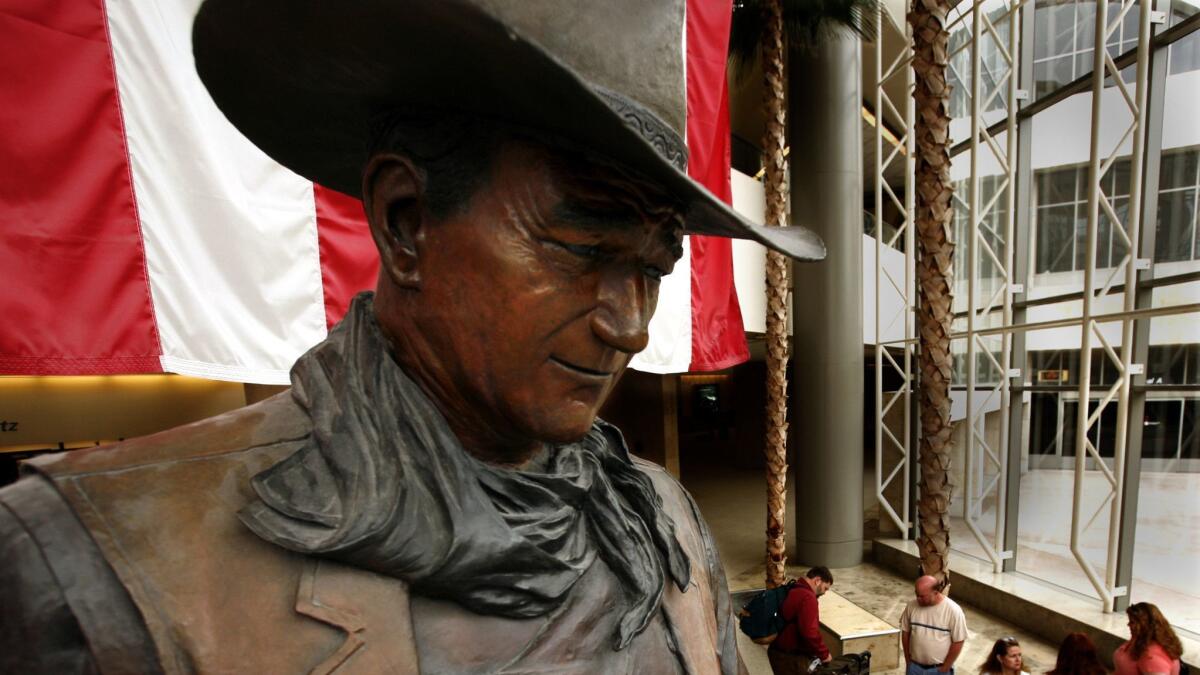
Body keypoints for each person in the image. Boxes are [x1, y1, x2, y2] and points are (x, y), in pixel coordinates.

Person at [0, 0, 826, 673]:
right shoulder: (88, 568)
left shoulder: (665, 522)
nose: (630, 323)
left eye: (652, 267)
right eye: (583, 247)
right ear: (405, 222)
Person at [768, 567, 835, 675]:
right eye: (825, 588)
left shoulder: (793, 588)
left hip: (776, 652)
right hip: (790, 658)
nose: (824, 592)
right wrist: (824, 654)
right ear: (818, 581)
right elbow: (810, 632)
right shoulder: (808, 597)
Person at [901, 575, 970, 675]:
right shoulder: (911, 606)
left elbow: (958, 641)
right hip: (914, 668)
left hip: (938, 670)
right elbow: (905, 633)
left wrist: (945, 668)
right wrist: (908, 661)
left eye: (922, 596)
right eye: (917, 594)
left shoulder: (953, 611)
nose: (918, 599)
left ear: (936, 593)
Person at [1113, 603, 1183, 675]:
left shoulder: (1152, 656)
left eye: (1132, 622)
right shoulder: (1141, 640)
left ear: (1143, 625)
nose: (1128, 625)